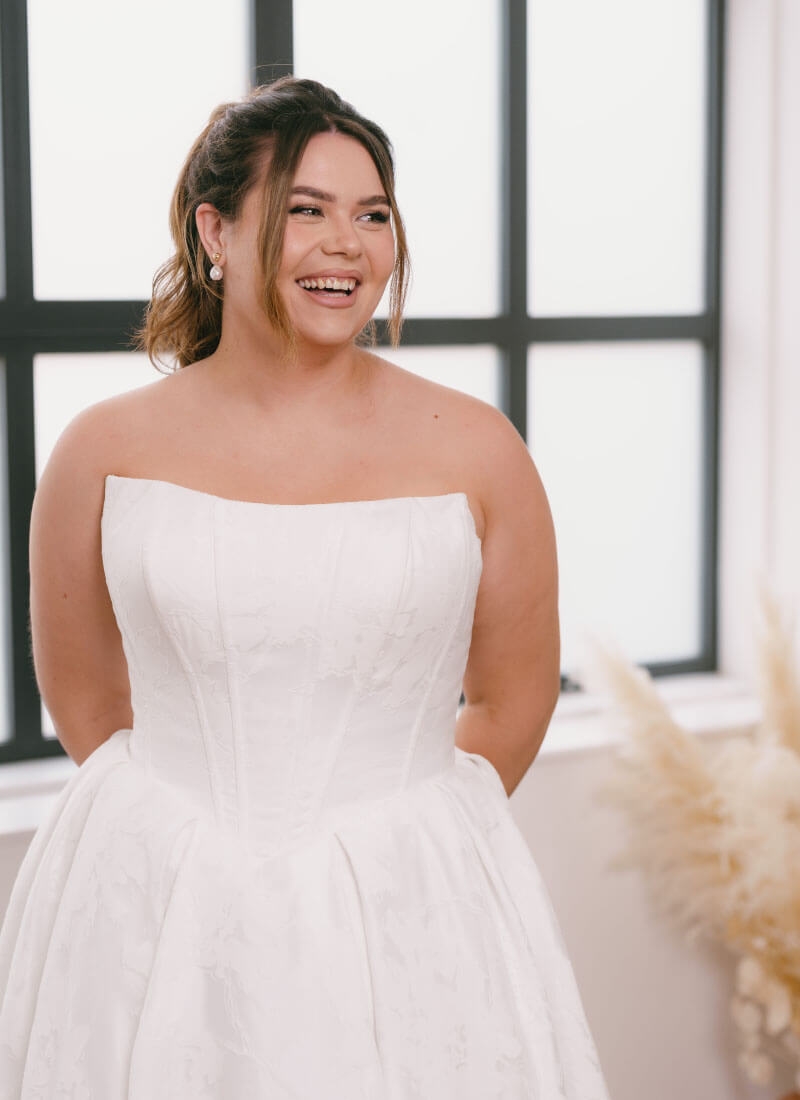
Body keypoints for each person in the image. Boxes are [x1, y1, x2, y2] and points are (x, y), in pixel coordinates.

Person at [0, 77, 609, 1098]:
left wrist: (387, 850)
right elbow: (88, 701)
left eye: (371, 214)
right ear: (216, 232)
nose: (346, 244)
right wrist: (202, 857)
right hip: (153, 897)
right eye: (303, 210)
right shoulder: (100, 450)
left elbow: (511, 699)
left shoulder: (477, 448)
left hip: (410, 906)